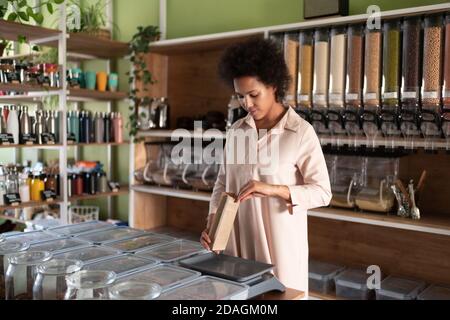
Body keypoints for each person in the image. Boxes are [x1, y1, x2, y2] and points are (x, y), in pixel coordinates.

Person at [200, 38, 332, 294]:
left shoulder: (300, 132)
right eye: (240, 96)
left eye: (253, 94)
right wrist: (213, 220)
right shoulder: (238, 131)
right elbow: (223, 183)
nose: (246, 104)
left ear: (273, 85)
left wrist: (274, 189)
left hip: (280, 252)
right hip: (238, 249)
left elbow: (323, 192)